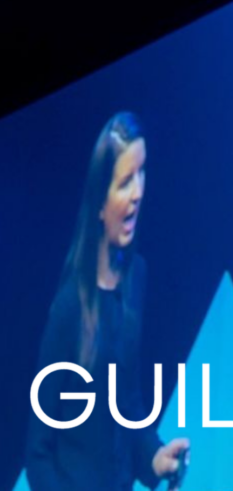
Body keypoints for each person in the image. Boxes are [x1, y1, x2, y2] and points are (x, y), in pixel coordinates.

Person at [26, 112, 189, 491]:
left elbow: (125, 410)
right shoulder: (68, 309)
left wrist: (154, 456)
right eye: (125, 182)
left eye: (142, 174)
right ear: (100, 203)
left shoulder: (137, 279)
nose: (138, 192)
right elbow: (37, 452)